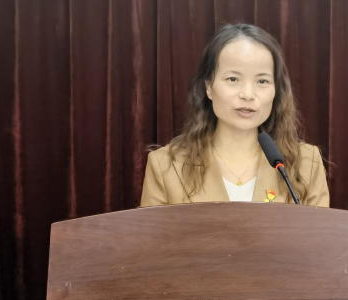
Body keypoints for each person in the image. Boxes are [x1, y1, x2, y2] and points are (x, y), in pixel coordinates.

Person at [140, 23, 329, 207]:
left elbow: (320, 229)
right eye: (233, 79)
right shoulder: (166, 167)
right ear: (209, 87)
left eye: (262, 81)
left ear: (276, 91)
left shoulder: (306, 164)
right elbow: (150, 230)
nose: (248, 94)